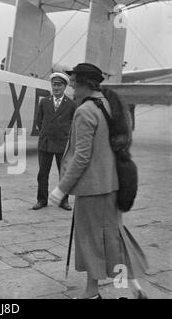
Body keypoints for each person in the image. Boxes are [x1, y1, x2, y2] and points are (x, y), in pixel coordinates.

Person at [50, 63, 149, 299]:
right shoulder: (104, 104)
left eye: (74, 82)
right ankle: (128, 287)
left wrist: (61, 189)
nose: (71, 86)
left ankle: (95, 292)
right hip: (110, 184)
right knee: (113, 236)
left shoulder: (84, 111)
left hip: (92, 189)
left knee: (90, 241)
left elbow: (81, 157)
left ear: (84, 83)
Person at [33, 72, 76, 211]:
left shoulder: (71, 104)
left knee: (63, 173)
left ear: (65, 87)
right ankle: (41, 200)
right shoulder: (44, 102)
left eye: (59, 85)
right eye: (54, 84)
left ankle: (64, 201)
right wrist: (47, 132)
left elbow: (73, 124)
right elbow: (39, 121)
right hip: (45, 143)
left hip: (62, 145)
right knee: (42, 174)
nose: (56, 87)